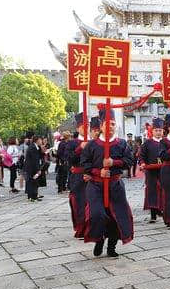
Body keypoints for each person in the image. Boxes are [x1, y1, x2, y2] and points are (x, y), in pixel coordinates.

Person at [81, 108, 134, 257]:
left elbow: (129, 161)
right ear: (101, 126)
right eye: (107, 124)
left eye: (113, 124)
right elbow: (85, 164)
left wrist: (114, 162)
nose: (110, 126)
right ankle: (99, 239)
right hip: (96, 185)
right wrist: (98, 172)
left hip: (115, 185)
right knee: (97, 214)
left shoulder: (122, 144)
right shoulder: (92, 145)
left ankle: (112, 246)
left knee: (118, 216)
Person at [67, 114, 89, 238]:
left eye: (87, 126)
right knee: (79, 203)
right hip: (77, 178)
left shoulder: (93, 142)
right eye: (82, 126)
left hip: (91, 176)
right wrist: (80, 148)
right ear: (77, 129)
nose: (85, 129)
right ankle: (81, 228)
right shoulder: (72, 143)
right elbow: (69, 159)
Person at [139, 118, 164, 223]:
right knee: (152, 192)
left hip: (164, 172)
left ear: (163, 131)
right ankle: (153, 214)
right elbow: (141, 156)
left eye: (160, 130)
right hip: (151, 172)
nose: (158, 132)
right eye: (156, 130)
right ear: (152, 131)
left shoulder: (166, 142)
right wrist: (142, 163)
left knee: (164, 191)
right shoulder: (147, 143)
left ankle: (163, 211)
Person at [24, 135, 43, 202]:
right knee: (32, 181)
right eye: (40, 140)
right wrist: (38, 170)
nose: (41, 141)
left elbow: (39, 157)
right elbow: (34, 160)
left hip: (32, 167)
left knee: (34, 182)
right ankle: (32, 196)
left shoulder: (36, 147)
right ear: (37, 140)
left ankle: (34, 195)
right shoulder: (32, 147)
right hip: (31, 168)